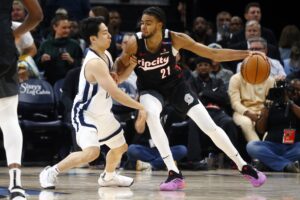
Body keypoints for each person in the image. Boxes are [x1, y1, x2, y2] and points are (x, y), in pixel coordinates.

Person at [115, 6, 267, 191]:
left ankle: (244, 166)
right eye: (142, 23)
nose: (143, 27)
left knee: (208, 125)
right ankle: (173, 173)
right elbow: (120, 69)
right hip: (150, 89)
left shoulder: (174, 38)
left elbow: (212, 54)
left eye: (148, 23)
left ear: (160, 25)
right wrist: (121, 69)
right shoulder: (135, 43)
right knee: (151, 116)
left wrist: (246, 54)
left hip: (176, 86)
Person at [39, 17, 146, 189]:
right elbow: (115, 93)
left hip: (102, 113)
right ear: (93, 39)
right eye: (105, 33)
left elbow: (115, 82)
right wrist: (141, 106)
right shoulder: (94, 62)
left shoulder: (107, 55)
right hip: (85, 113)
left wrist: (131, 66)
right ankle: (51, 171)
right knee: (92, 152)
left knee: (120, 147)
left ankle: (109, 177)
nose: (110, 35)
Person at [0, 0, 43, 199]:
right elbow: (36, 15)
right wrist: (15, 33)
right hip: (3, 47)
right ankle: (16, 185)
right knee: (9, 119)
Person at [247, 79, 300, 173]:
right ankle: (286, 165)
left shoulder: (296, 104)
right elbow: (261, 130)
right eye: (292, 89)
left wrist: (290, 103)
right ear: (286, 90)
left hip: (294, 147)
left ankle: (267, 164)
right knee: (251, 146)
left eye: (298, 90)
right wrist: (265, 113)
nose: (296, 92)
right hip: (272, 146)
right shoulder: (271, 104)